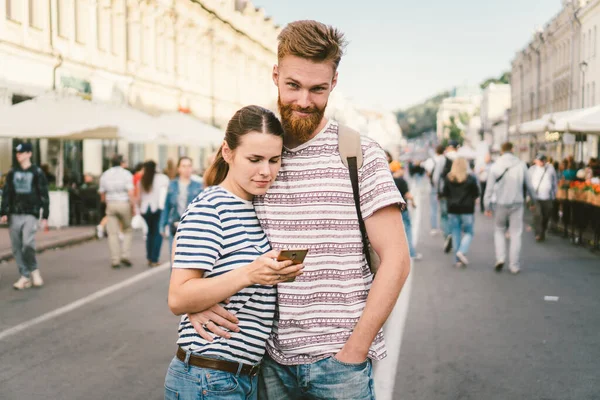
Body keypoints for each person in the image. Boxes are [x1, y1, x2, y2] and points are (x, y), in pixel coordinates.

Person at [188, 20, 410, 400]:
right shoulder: (253, 152)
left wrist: (354, 351)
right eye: (293, 85)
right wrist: (198, 299)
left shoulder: (359, 153)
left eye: (317, 88)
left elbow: (397, 260)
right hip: (265, 359)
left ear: (334, 83)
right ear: (276, 75)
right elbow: (205, 233)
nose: (304, 101)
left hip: (338, 364)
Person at [166, 105, 304, 400]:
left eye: (274, 160)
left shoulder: (257, 205)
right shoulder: (211, 206)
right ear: (227, 153)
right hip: (210, 376)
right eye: (254, 159)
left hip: (242, 376)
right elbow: (178, 297)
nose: (266, 171)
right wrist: (249, 274)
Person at [0, 143, 49, 290]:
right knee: (16, 246)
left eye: (21, 152)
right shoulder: (12, 173)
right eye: (17, 153)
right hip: (15, 213)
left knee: (28, 243)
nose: (18, 155)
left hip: (30, 212)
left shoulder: (37, 172)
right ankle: (24, 275)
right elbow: (7, 193)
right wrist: (3, 212)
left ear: (29, 154)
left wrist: (45, 214)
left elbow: (44, 193)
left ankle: (34, 270)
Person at [484, 142, 535, 274]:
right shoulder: (521, 164)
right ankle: (514, 265)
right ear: (512, 149)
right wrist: (534, 201)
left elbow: (489, 188)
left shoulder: (495, 166)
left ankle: (500, 258)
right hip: (517, 203)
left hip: (500, 203)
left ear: (501, 151)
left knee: (499, 230)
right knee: (516, 234)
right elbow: (529, 185)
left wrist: (486, 205)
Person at [159, 156, 203, 255]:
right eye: (184, 166)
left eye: (189, 166)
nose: (187, 169)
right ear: (178, 168)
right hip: (175, 225)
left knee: (191, 258)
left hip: (193, 227)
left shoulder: (198, 185)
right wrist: (162, 225)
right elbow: (166, 206)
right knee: (175, 259)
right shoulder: (172, 185)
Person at [98, 154, 135, 269]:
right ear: (121, 163)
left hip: (111, 204)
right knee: (127, 229)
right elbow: (130, 192)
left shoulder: (105, 175)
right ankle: (125, 254)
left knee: (112, 233)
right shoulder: (126, 174)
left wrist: (106, 203)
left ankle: (115, 259)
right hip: (124, 203)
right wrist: (133, 206)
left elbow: (102, 193)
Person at [442, 158, 479, 267]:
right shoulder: (470, 179)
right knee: (469, 232)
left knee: (455, 233)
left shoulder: (449, 178)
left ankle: (457, 260)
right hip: (467, 209)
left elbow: (445, 193)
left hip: (452, 209)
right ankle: (462, 251)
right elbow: (476, 193)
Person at [137, 160, 169, 267]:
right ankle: (155, 258)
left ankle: (149, 258)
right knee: (157, 233)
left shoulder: (142, 179)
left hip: (145, 209)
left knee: (150, 233)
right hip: (157, 208)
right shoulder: (162, 178)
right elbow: (166, 192)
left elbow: (139, 197)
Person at [392, 161, 422, 261]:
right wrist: (413, 202)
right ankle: (411, 253)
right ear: (398, 169)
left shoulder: (389, 180)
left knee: (395, 232)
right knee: (408, 230)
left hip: (393, 210)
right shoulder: (402, 181)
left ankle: (397, 254)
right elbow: (408, 195)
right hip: (403, 209)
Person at [529, 154, 557, 242]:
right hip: (536, 197)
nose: (541, 162)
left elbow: (554, 181)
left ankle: (543, 231)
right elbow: (528, 183)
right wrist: (528, 196)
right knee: (538, 215)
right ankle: (538, 233)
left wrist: (554, 194)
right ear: (535, 161)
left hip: (547, 196)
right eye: (539, 160)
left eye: (543, 160)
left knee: (546, 216)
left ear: (545, 161)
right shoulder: (532, 170)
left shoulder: (550, 169)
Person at [437, 140, 459, 253]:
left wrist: (438, 191)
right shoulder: (461, 158)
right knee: (455, 216)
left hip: (445, 192)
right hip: (458, 193)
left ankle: (447, 236)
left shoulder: (443, 159)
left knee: (444, 215)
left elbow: (437, 177)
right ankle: (455, 238)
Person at [425, 145, 446, 236]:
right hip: (443, 187)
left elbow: (428, 173)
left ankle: (434, 228)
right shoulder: (445, 160)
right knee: (443, 208)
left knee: (433, 208)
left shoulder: (430, 160)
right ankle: (444, 227)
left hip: (433, 186)